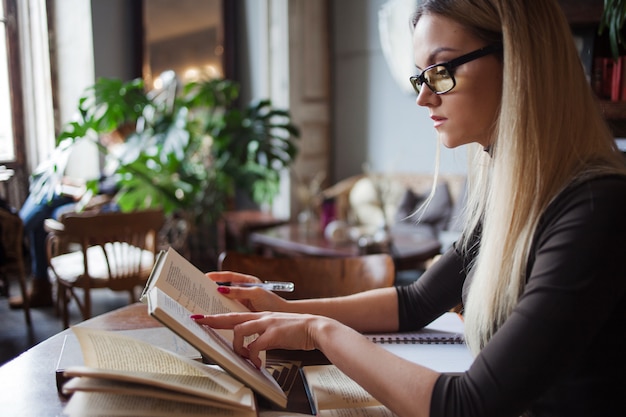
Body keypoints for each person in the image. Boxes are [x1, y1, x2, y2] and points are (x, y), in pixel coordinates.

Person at [192, 1, 626, 416]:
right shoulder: (516, 194)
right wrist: (289, 310)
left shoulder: (594, 210)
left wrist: (317, 330)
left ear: (518, 60)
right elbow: (416, 302)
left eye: (440, 71)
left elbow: (468, 406)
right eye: (421, 77)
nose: (423, 99)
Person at [9, 130, 124, 309]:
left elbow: (113, 187)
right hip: (88, 197)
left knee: (48, 203)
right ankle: (40, 285)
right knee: (48, 202)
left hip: (99, 207)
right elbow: (102, 181)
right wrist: (79, 184)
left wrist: (87, 192)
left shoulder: (129, 153)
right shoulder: (116, 152)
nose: (105, 135)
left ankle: (18, 229)